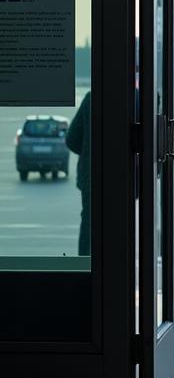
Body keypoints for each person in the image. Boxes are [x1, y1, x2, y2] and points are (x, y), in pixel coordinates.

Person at [66, 90, 91, 257]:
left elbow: (72, 139)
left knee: (89, 221)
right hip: (126, 180)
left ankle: (86, 269)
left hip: (91, 175)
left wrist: (88, 152)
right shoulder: (138, 97)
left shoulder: (91, 98)